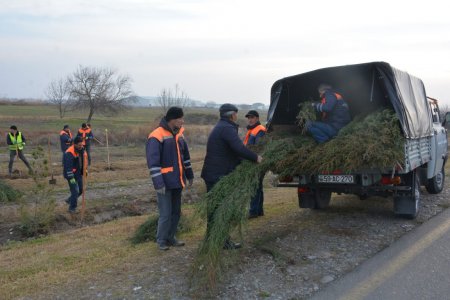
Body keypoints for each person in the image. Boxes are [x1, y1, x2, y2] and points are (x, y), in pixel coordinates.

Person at [201, 103, 263, 250]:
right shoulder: (227, 128)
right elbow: (239, 148)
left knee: (215, 208)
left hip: (214, 173)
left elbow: (232, 152)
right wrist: (256, 158)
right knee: (220, 208)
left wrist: (243, 162)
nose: (237, 116)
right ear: (232, 115)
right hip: (218, 175)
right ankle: (221, 241)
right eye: (236, 113)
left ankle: (213, 239)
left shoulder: (222, 127)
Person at [146, 107, 194, 251]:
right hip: (164, 183)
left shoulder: (179, 135)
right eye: (180, 118)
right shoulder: (156, 136)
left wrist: (190, 175)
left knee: (176, 212)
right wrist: (158, 183)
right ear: (173, 119)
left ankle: (171, 237)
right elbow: (153, 163)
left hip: (178, 181)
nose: (182, 121)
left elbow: (186, 157)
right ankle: (161, 240)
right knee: (165, 214)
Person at [243, 110, 266, 218]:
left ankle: (253, 212)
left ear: (257, 118)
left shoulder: (259, 130)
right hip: (254, 161)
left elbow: (258, 148)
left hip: (257, 162)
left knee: (254, 187)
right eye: (248, 118)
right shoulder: (252, 130)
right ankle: (259, 211)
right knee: (258, 187)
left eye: (252, 117)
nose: (250, 119)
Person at [63, 136, 85, 213]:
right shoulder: (69, 153)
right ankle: (72, 208)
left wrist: (84, 171)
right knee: (75, 191)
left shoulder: (81, 149)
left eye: (82, 145)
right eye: (79, 145)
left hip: (78, 173)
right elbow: (67, 167)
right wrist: (71, 177)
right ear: (74, 144)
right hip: (71, 175)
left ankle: (70, 200)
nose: (81, 146)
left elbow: (83, 161)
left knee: (81, 190)